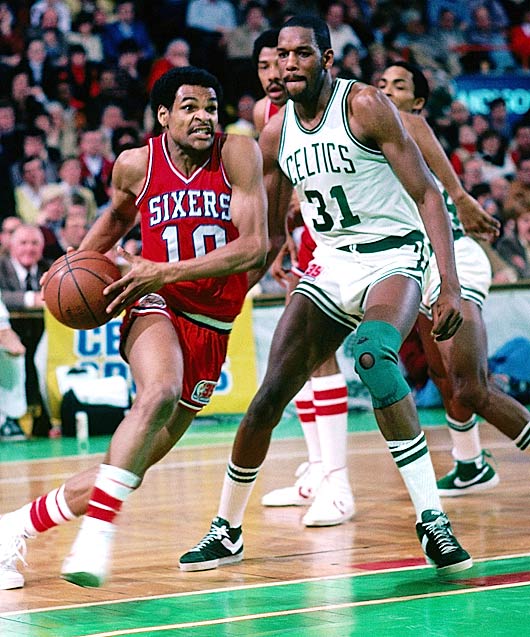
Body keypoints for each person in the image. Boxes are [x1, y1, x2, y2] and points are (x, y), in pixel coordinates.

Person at [179, 16, 472, 576]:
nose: (289, 63)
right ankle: (226, 529)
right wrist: (227, 297)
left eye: (302, 53)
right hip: (333, 262)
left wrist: (449, 284)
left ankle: (432, 520)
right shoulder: (274, 134)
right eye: (282, 54)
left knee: (374, 355)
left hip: (393, 254)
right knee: (269, 396)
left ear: (327, 59)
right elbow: (267, 235)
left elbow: (428, 195)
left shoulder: (363, 106)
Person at [0, 65, 267, 590]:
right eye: (189, 107)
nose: (203, 117)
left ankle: (12, 527)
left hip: (211, 322)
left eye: (211, 108)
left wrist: (165, 270)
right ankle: (97, 534)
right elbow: (119, 217)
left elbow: (254, 247)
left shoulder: (237, 154)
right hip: (155, 299)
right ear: (164, 115)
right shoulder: (136, 164)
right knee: (159, 391)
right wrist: (74, 263)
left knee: (127, 469)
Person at [378, 61, 530, 496]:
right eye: (381, 83)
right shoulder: (370, 141)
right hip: (418, 262)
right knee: (443, 376)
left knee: (471, 388)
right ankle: (470, 465)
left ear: (418, 102)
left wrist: (462, 197)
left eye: (399, 86)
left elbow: (415, 134)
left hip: (453, 259)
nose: (386, 91)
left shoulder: (406, 123)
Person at [252, 27, 354, 528]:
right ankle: (317, 468)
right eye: (266, 65)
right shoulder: (265, 116)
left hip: (340, 235)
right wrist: (278, 241)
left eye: (284, 61)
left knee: (318, 351)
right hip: (300, 235)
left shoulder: (330, 104)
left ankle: (337, 481)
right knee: (302, 357)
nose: (276, 72)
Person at [0, 224, 51, 438]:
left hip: (42, 337)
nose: (29, 248)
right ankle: (9, 418)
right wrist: (31, 299)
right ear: (11, 246)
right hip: (9, 335)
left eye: (34, 243)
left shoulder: (50, 269)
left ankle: (48, 419)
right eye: (23, 243)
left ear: (42, 247)